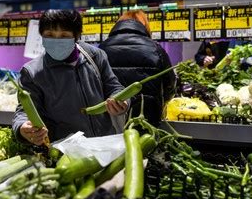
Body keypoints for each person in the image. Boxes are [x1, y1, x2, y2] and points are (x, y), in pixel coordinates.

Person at [12, 10, 129, 145]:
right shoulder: (32, 73)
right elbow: (24, 110)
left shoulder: (95, 56)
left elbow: (114, 87)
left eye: (63, 36)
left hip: (105, 144)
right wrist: (21, 127)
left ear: (76, 36)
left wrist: (122, 101)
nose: (56, 41)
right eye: (49, 35)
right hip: (66, 152)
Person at [99, 10, 176, 126]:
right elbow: (169, 85)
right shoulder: (156, 49)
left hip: (111, 121)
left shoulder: (101, 48)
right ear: (144, 25)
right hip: (147, 121)